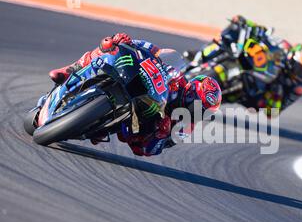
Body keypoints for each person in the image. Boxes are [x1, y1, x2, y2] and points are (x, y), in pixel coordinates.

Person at [49, 33, 222, 156]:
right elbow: (153, 51)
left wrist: (160, 135)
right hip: (139, 85)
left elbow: (148, 151)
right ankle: (68, 71)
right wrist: (128, 42)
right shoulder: (179, 79)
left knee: (117, 135)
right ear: (191, 93)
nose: (198, 113)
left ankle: (101, 123)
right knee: (109, 46)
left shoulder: (186, 127)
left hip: (136, 127)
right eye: (199, 107)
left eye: (203, 112)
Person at [190, 15, 302, 115]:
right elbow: (268, 39)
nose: (301, 74)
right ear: (293, 58)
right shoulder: (284, 47)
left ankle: (209, 102)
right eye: (301, 69)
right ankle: (199, 58)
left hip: (257, 94)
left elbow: (273, 113)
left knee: (256, 100)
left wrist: (275, 94)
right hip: (254, 68)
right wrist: (257, 30)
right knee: (231, 38)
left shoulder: (297, 88)